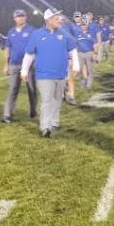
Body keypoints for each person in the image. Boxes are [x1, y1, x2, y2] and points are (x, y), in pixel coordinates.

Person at [21, 9, 80, 138]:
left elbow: (73, 49)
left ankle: (54, 122)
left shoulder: (64, 33)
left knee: (58, 100)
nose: (60, 20)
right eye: (57, 18)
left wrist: (76, 65)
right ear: (48, 19)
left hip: (60, 74)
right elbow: (29, 53)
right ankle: (45, 127)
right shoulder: (37, 35)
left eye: (60, 17)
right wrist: (24, 70)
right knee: (47, 100)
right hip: (43, 75)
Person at [1, 9, 38, 123]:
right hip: (14, 65)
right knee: (12, 89)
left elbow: (37, 47)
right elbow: (7, 48)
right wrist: (6, 64)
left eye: (22, 16)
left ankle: (33, 111)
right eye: (18, 16)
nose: (20, 18)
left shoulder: (32, 30)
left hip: (29, 66)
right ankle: (7, 114)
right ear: (14, 18)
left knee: (31, 90)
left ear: (26, 17)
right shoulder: (11, 31)